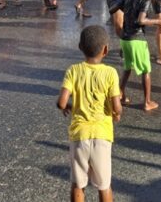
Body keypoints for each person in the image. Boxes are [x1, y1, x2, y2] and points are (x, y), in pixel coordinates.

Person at [56, 26, 122, 202]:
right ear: (105, 50)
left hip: (79, 136)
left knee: (78, 184)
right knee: (104, 185)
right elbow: (117, 106)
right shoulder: (110, 73)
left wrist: (67, 106)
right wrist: (116, 114)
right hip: (102, 135)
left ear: (80, 47)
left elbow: (61, 102)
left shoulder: (73, 70)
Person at [111, 0, 161, 112]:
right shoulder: (145, 0)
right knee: (146, 71)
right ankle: (147, 102)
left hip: (125, 39)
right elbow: (141, 20)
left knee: (127, 68)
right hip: (137, 40)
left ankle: (121, 95)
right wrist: (158, 21)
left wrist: (123, 0)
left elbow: (112, 9)